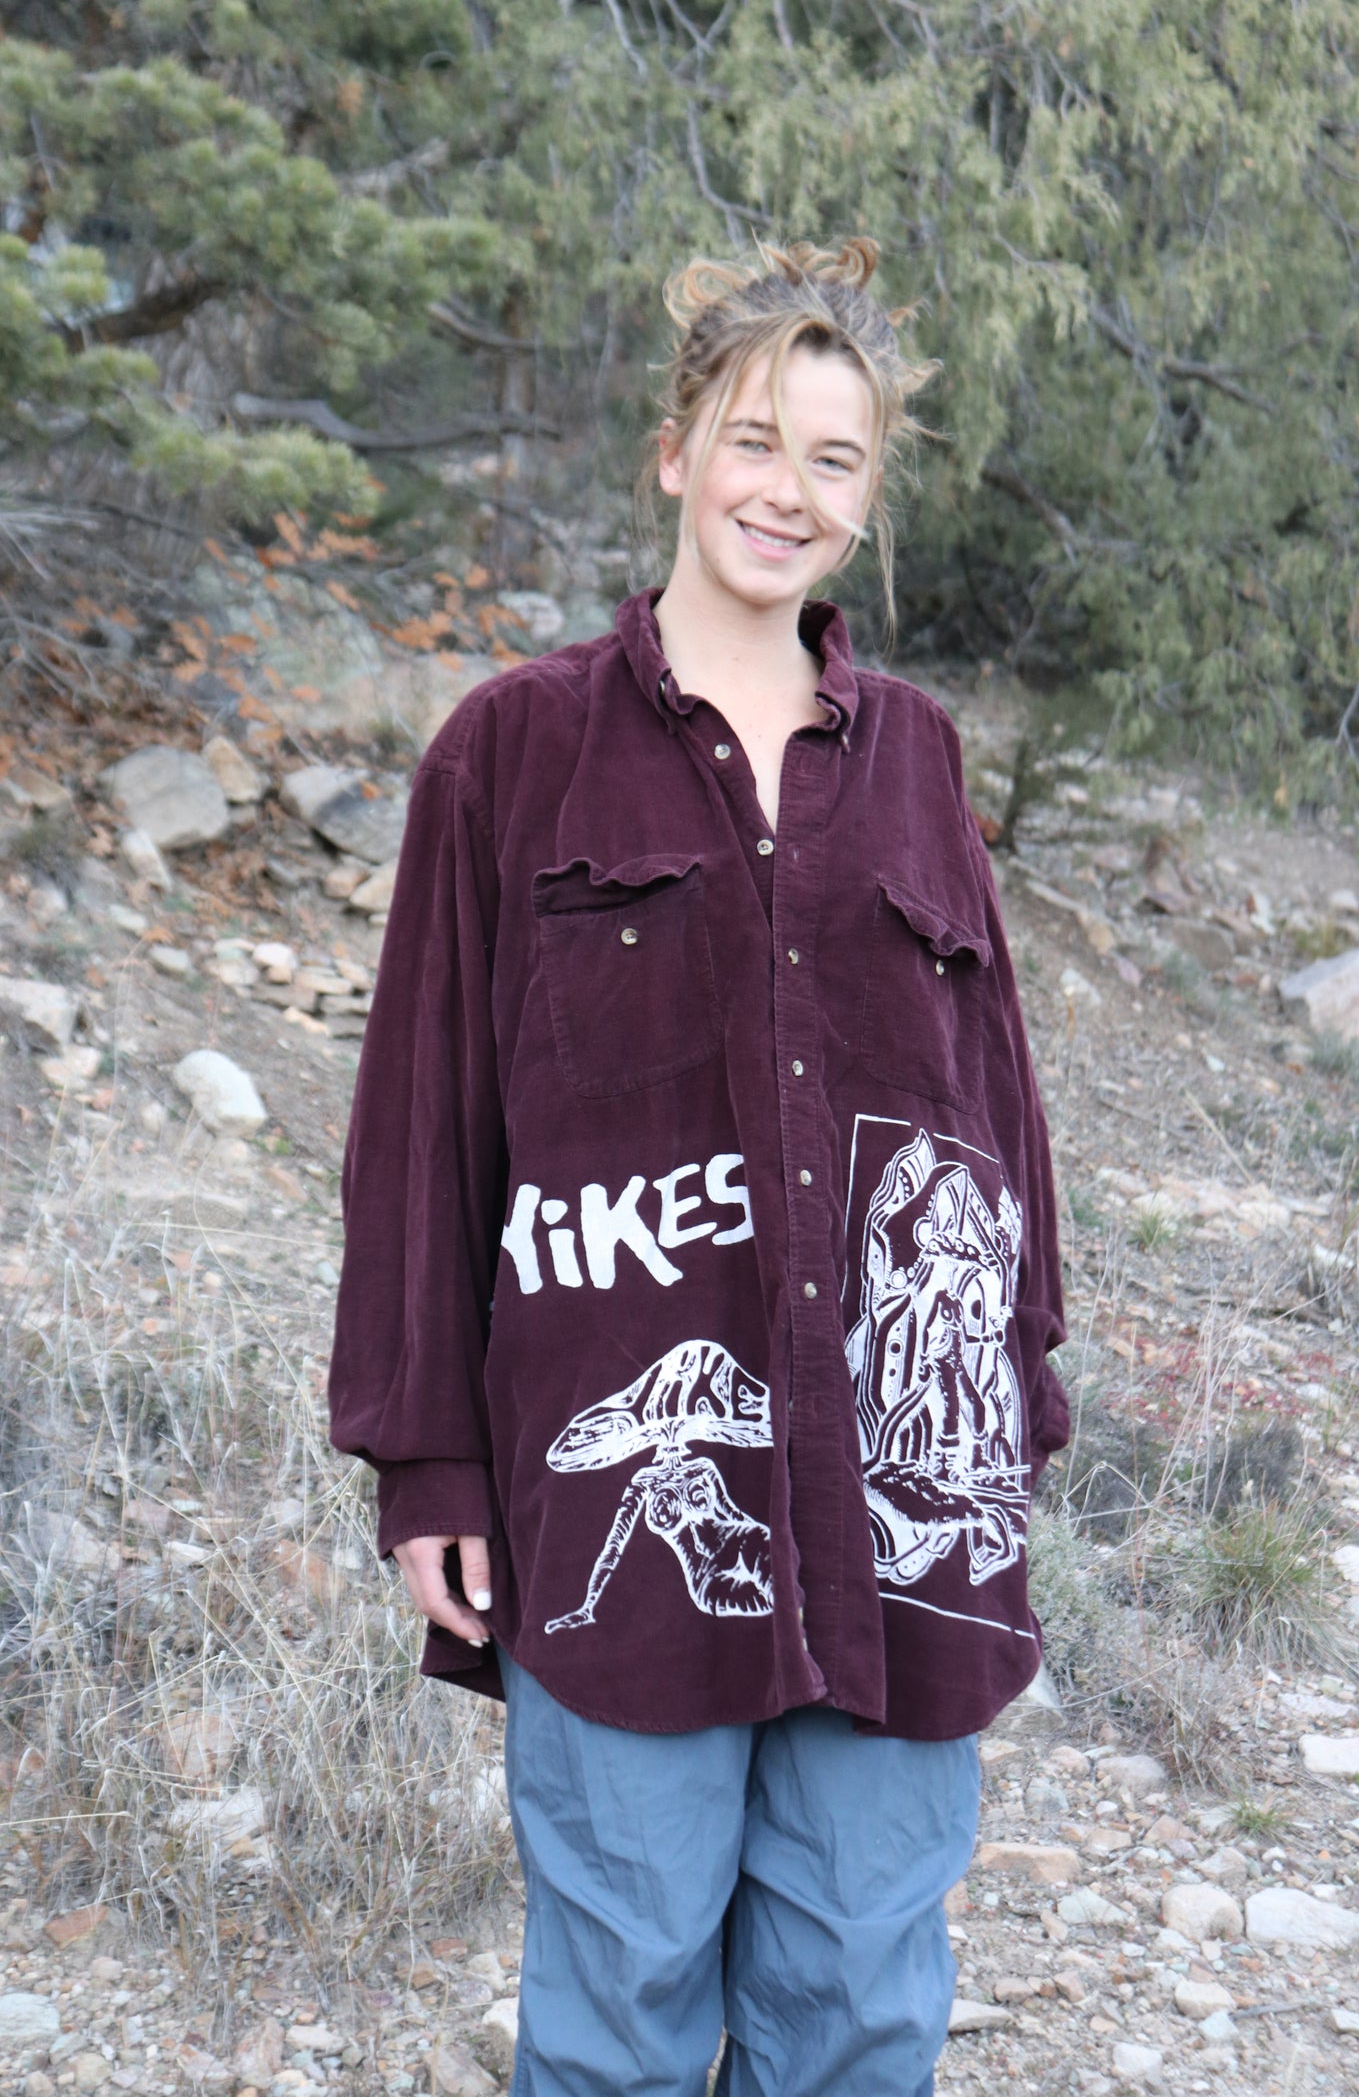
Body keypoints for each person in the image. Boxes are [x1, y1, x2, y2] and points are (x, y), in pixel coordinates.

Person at [329, 237, 1070, 2097]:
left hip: (910, 1492)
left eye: (835, 461)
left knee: (859, 2003)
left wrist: (1022, 1387)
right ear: (675, 453)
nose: (786, 491)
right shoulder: (514, 753)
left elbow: (991, 1104)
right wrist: (429, 1454)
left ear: (867, 504)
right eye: (755, 439)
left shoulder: (913, 759)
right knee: (622, 2001)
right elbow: (424, 1125)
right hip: (625, 1494)